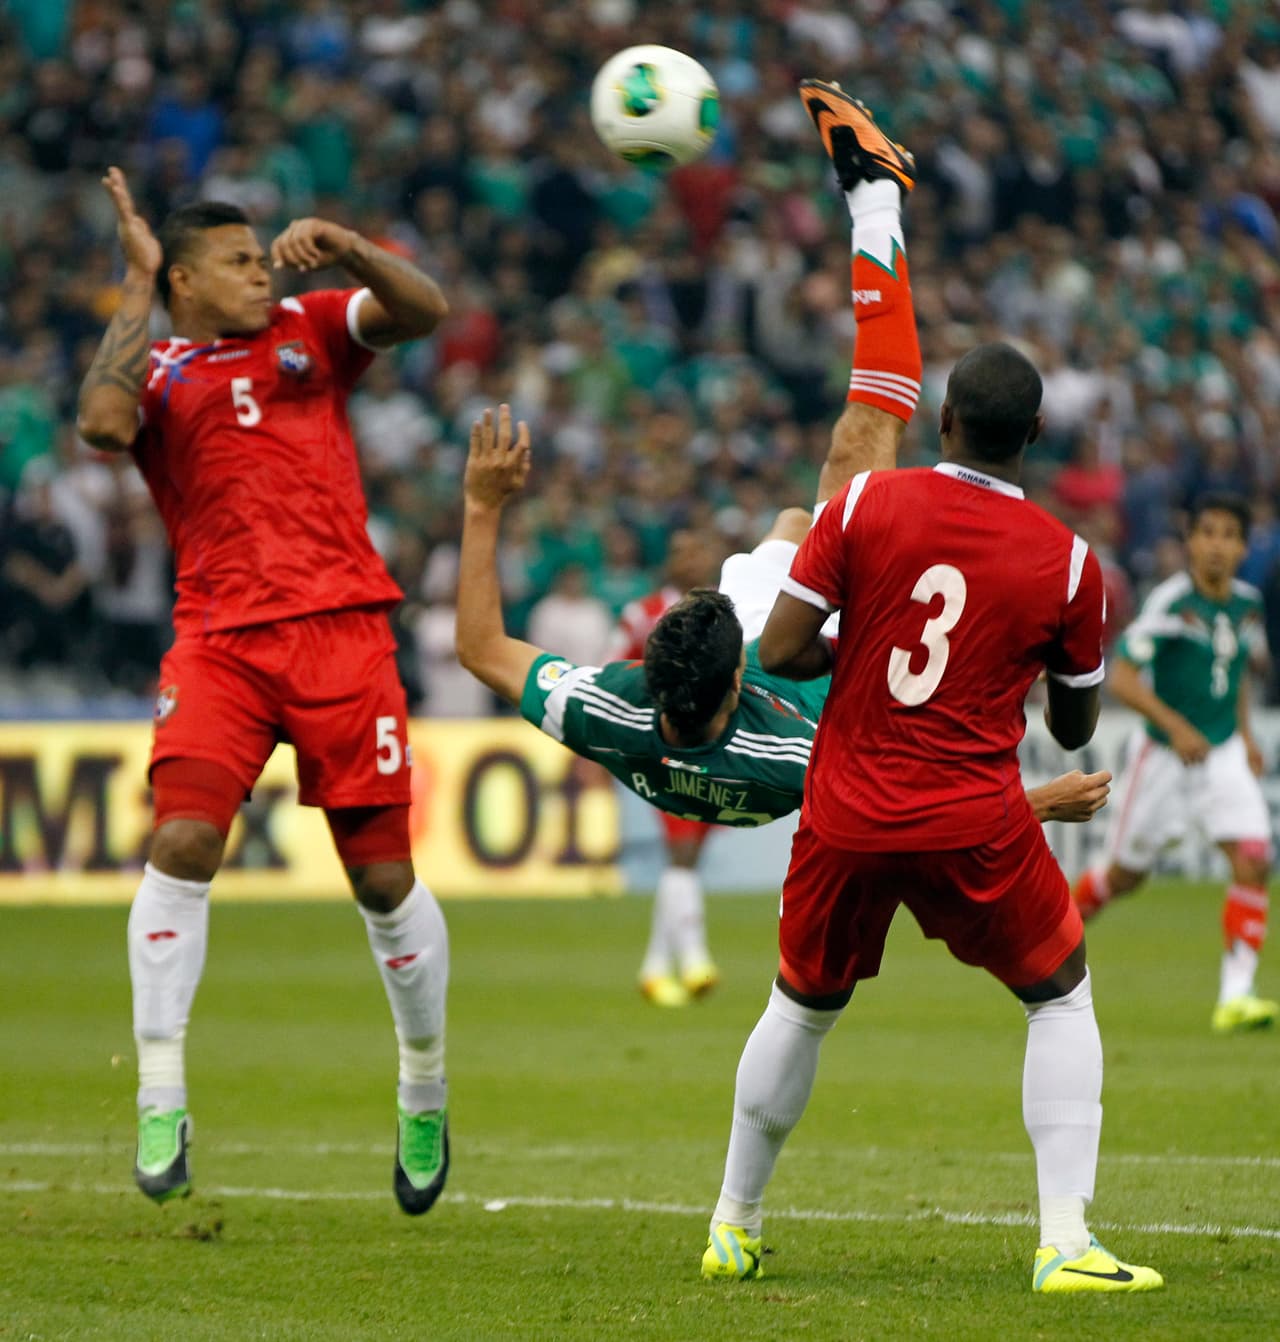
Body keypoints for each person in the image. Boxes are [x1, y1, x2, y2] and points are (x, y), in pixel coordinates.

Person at [697, 82, 1161, 1293]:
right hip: (969, 816)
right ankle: (1063, 1240)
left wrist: (858, 649)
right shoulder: (1066, 560)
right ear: (1031, 437)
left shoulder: (864, 504)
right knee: (1056, 997)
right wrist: (1031, 700)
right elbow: (1070, 720)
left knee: (799, 1006)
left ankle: (730, 1223)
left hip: (845, 806)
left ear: (946, 418)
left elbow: (788, 653)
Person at [75, 169, 452, 1214]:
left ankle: (423, 1087)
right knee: (183, 845)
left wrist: (350, 248)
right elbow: (103, 427)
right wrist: (136, 283)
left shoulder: (315, 327)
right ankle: (162, 1093)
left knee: (381, 881)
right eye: (236, 262)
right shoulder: (153, 366)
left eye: (260, 256)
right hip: (219, 642)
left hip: (342, 635)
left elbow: (426, 311)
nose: (259, 273)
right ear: (186, 278)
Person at [1072, 494, 1277, 1033]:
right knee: (1124, 878)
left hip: (1223, 751)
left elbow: (1230, 673)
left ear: (1241, 546)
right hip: (1163, 757)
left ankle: (1236, 996)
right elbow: (1121, 679)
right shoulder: (1171, 602)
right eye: (1206, 532)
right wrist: (1178, 726)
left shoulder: (1247, 605)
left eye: (1228, 535)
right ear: (1190, 542)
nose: (1215, 544)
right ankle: (1049, 933)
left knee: (1254, 858)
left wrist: (1249, 735)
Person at [607, 530, 722, 1008]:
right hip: (664, 749)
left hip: (717, 749)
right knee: (683, 851)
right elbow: (611, 671)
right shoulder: (642, 614)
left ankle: (655, 968)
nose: (689, 558)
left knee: (688, 854)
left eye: (696, 549)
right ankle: (695, 959)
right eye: (679, 551)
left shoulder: (725, 611)